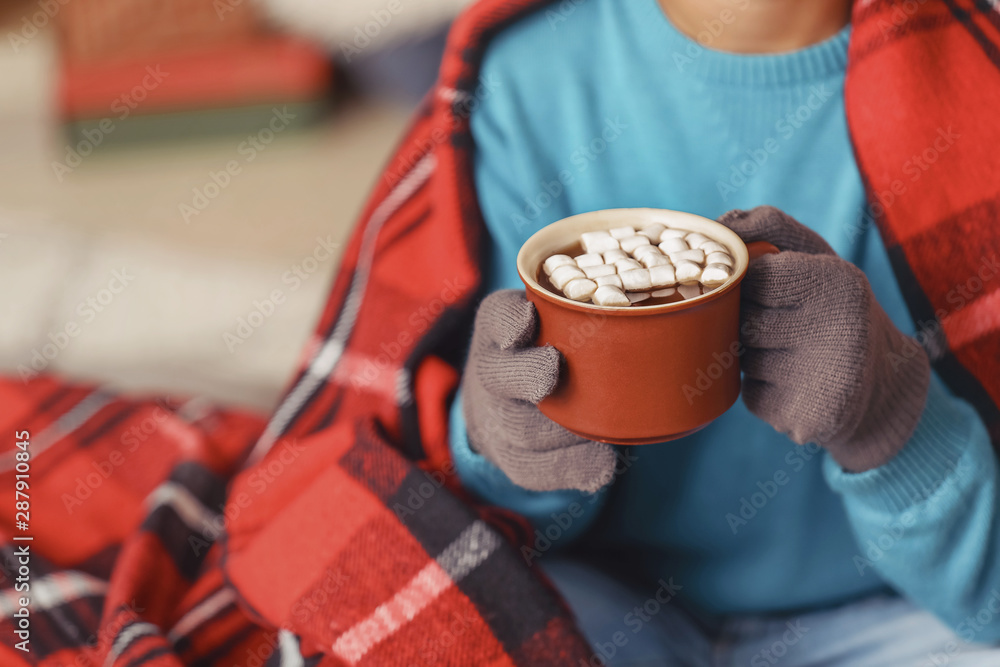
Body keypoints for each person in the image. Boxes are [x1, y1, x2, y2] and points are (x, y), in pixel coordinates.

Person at [450, 0, 1000, 663]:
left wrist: (893, 422)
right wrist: (497, 437)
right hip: (611, 601)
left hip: (906, 614)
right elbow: (493, 524)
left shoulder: (980, 83)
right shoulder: (526, 77)